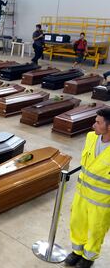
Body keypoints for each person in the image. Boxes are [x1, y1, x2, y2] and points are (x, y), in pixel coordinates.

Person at [64, 108, 110, 268]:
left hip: (102, 201)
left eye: (98, 122)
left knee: (96, 231)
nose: (93, 125)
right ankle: (76, 251)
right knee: (77, 224)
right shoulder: (91, 137)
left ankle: (88, 257)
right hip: (82, 194)